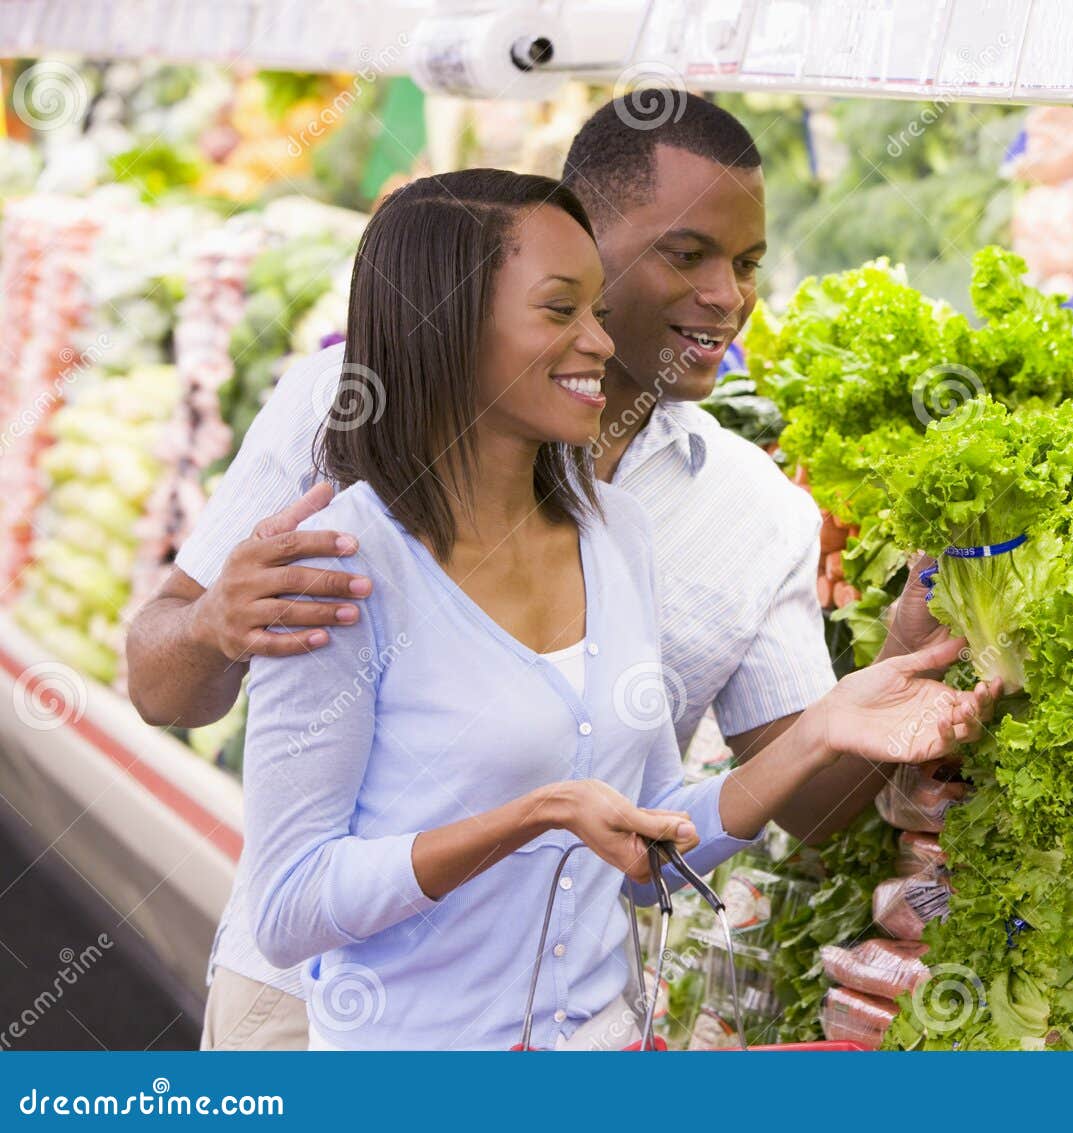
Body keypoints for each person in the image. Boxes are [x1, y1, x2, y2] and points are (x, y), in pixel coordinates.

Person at [125, 95, 948, 1049]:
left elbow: (790, 812)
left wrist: (891, 663)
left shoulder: (742, 513)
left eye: (749, 264)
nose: (728, 296)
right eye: (687, 254)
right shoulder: (344, 413)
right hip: (314, 1014)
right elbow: (163, 691)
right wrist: (211, 625)